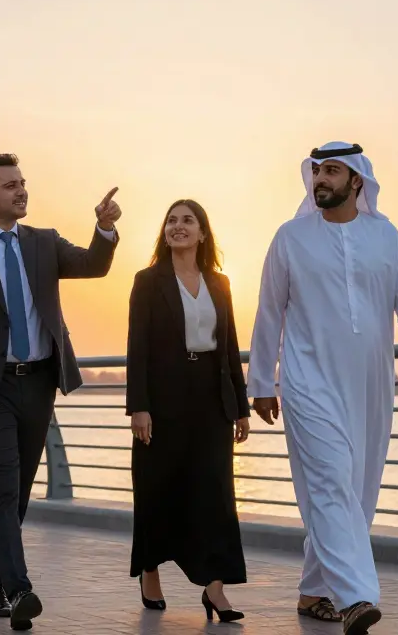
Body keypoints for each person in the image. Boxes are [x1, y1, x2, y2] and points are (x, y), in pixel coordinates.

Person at [247, 142, 398, 635]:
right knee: (333, 478)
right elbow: (269, 311)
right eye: (316, 171)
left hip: (371, 382)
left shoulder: (386, 237)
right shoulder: (290, 238)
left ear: (357, 180)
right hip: (306, 379)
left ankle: (314, 590)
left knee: (355, 488)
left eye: (331, 171)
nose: (321, 180)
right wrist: (262, 381)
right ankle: (356, 596)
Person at [0, 153, 121, 631]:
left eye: (23, 182)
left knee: (17, 494)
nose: (21, 191)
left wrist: (103, 229)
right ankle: (18, 590)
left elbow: (94, 266)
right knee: (1, 488)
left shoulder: (44, 243)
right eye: (10, 185)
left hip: (37, 383)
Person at [126, 199, 249, 622]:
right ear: (164, 233)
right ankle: (149, 570)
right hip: (162, 401)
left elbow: (229, 348)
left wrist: (240, 406)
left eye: (187, 221)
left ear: (202, 233)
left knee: (215, 494)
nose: (178, 227)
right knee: (157, 486)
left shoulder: (221, 283)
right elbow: (137, 348)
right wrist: (139, 407)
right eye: (171, 221)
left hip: (211, 401)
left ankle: (214, 589)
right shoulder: (147, 281)